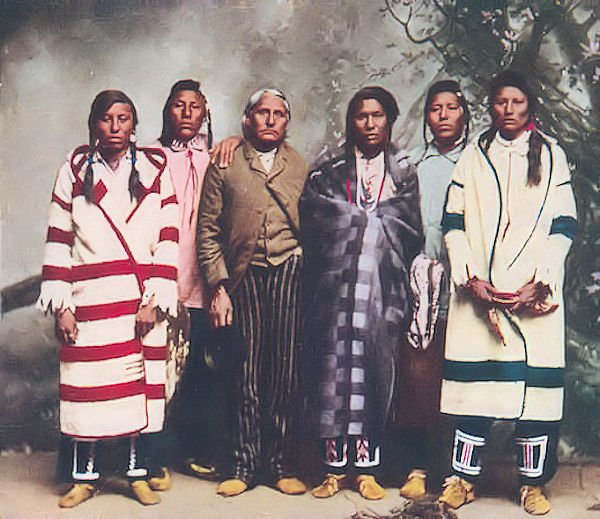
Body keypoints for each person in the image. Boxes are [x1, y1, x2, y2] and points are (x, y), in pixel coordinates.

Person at [438, 70, 577, 515]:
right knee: (474, 393)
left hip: (531, 295)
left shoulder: (551, 154)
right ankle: (462, 479)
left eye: (516, 101)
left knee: (535, 396)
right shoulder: (474, 157)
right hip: (482, 293)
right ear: (491, 107)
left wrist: (540, 281)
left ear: (529, 105)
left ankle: (532, 485)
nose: (508, 109)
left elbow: (563, 225)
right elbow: (453, 222)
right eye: (501, 102)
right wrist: (470, 277)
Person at [38, 90, 179, 508]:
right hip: (89, 301)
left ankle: (137, 474)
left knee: (139, 386)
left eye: (123, 118)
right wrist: (62, 305)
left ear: (134, 125)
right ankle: (84, 478)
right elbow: (58, 239)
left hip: (140, 300)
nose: (115, 127)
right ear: (94, 123)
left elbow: (168, 238)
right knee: (87, 388)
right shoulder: (74, 170)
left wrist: (153, 299)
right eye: (106, 118)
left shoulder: (155, 169)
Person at [301, 86, 422, 500]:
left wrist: (365, 223)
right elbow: (316, 217)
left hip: (381, 289)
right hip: (335, 290)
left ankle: (367, 471)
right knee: (333, 372)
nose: (370, 124)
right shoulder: (329, 168)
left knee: (373, 369)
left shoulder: (403, 170)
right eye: (361, 116)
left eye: (377, 116)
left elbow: (408, 226)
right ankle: (333, 469)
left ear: (389, 120)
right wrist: (367, 222)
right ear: (351, 121)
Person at [197, 88, 309, 497]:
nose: (271, 120)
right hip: (242, 275)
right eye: (263, 113)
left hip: (289, 271)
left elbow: (315, 223)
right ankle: (242, 466)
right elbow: (208, 231)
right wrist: (218, 286)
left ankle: (279, 465)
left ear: (287, 122)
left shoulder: (299, 165)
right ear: (248, 119)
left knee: (285, 371)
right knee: (244, 371)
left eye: (279, 114)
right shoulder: (225, 162)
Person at [148, 79, 230, 485]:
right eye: (178, 105)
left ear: (204, 113)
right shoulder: (148, 156)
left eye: (194, 106)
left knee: (198, 370)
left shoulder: (216, 156)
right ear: (168, 110)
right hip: (161, 278)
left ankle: (193, 451)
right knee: (158, 370)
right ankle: (152, 456)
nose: (186, 113)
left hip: (202, 280)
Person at [395, 80, 470, 499]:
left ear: (464, 114)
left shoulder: (477, 161)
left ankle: (458, 472)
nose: (443, 115)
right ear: (426, 116)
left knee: (458, 375)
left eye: (451, 108)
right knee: (419, 376)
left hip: (464, 284)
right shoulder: (411, 163)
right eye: (435, 108)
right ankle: (417, 467)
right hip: (420, 285)